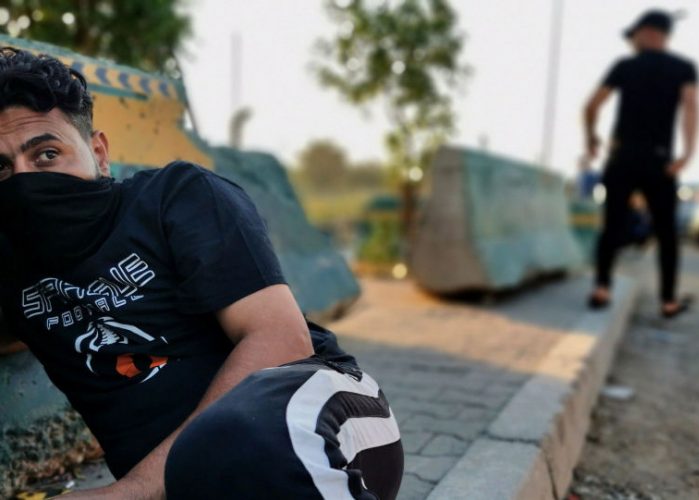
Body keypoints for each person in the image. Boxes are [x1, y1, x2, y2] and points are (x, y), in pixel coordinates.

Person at [0, 47, 403, 499]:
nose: (24, 181)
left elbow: (281, 341)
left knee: (239, 435)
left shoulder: (175, 197)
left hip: (318, 423)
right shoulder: (11, 267)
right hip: (184, 482)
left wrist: (131, 491)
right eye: (1, 169)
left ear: (99, 152)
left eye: (47, 154)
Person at [583, 10, 699, 318]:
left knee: (612, 224)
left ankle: (602, 288)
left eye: (633, 36)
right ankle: (668, 301)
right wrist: (687, 153)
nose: (631, 42)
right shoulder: (684, 68)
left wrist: (591, 138)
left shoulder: (624, 66)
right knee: (666, 232)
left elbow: (592, 105)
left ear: (646, 32)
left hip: (622, 157)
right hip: (660, 161)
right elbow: (691, 106)